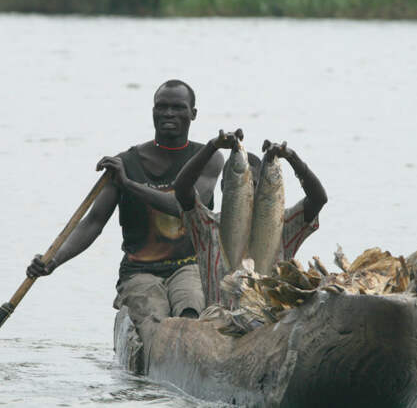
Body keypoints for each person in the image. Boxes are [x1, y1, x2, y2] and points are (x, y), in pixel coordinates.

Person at [26, 80, 224, 352]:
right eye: (161, 107)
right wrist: (53, 261)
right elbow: (93, 223)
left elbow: (183, 206)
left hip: (190, 265)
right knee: (154, 322)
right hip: (140, 270)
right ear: (152, 112)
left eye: (177, 107)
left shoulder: (208, 159)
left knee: (190, 309)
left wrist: (129, 185)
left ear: (193, 114)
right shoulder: (126, 163)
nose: (168, 114)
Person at [173, 130, 328, 306]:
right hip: (219, 321)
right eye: (246, 184)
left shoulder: (281, 225)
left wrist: (291, 157)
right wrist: (212, 146)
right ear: (224, 186)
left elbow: (318, 199)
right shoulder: (207, 226)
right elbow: (181, 189)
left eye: (255, 185)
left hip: (267, 319)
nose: (250, 191)